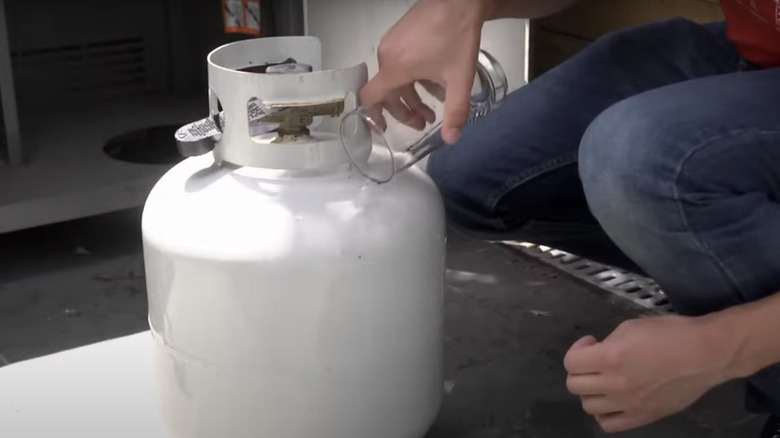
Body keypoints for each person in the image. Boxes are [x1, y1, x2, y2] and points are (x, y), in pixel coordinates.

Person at [360, 0, 780, 436]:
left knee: (640, 159)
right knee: (465, 173)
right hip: (750, 51)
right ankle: (721, 269)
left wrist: (723, 347)